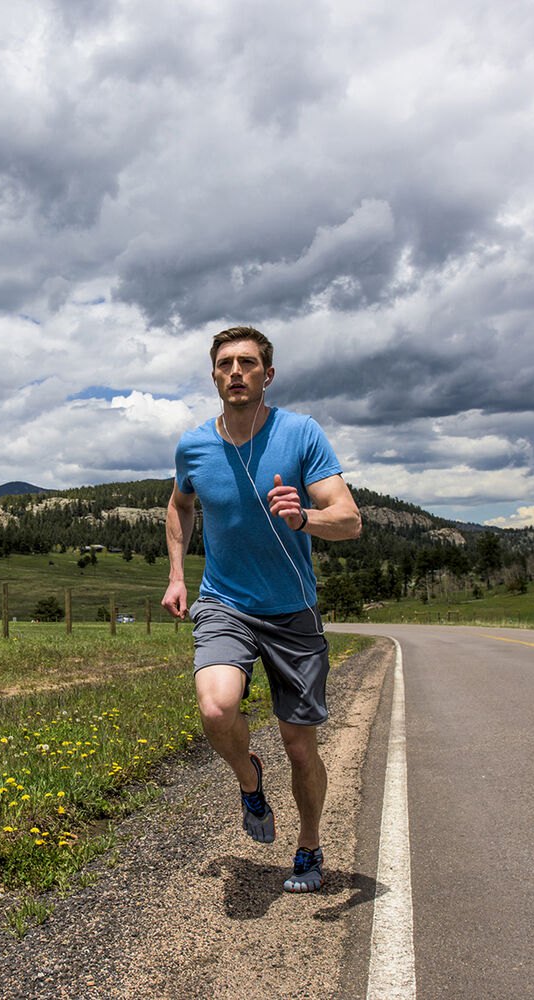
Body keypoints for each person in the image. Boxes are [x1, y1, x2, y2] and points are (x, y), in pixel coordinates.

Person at [161, 325, 361, 893]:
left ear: (266, 375)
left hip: (292, 612)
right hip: (224, 602)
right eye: (225, 364)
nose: (236, 372)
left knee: (300, 747)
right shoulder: (195, 445)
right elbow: (179, 505)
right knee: (217, 707)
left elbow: (349, 520)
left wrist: (303, 517)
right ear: (215, 376)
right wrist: (178, 575)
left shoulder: (301, 435)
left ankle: (309, 845)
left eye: (248, 363)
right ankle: (250, 779)